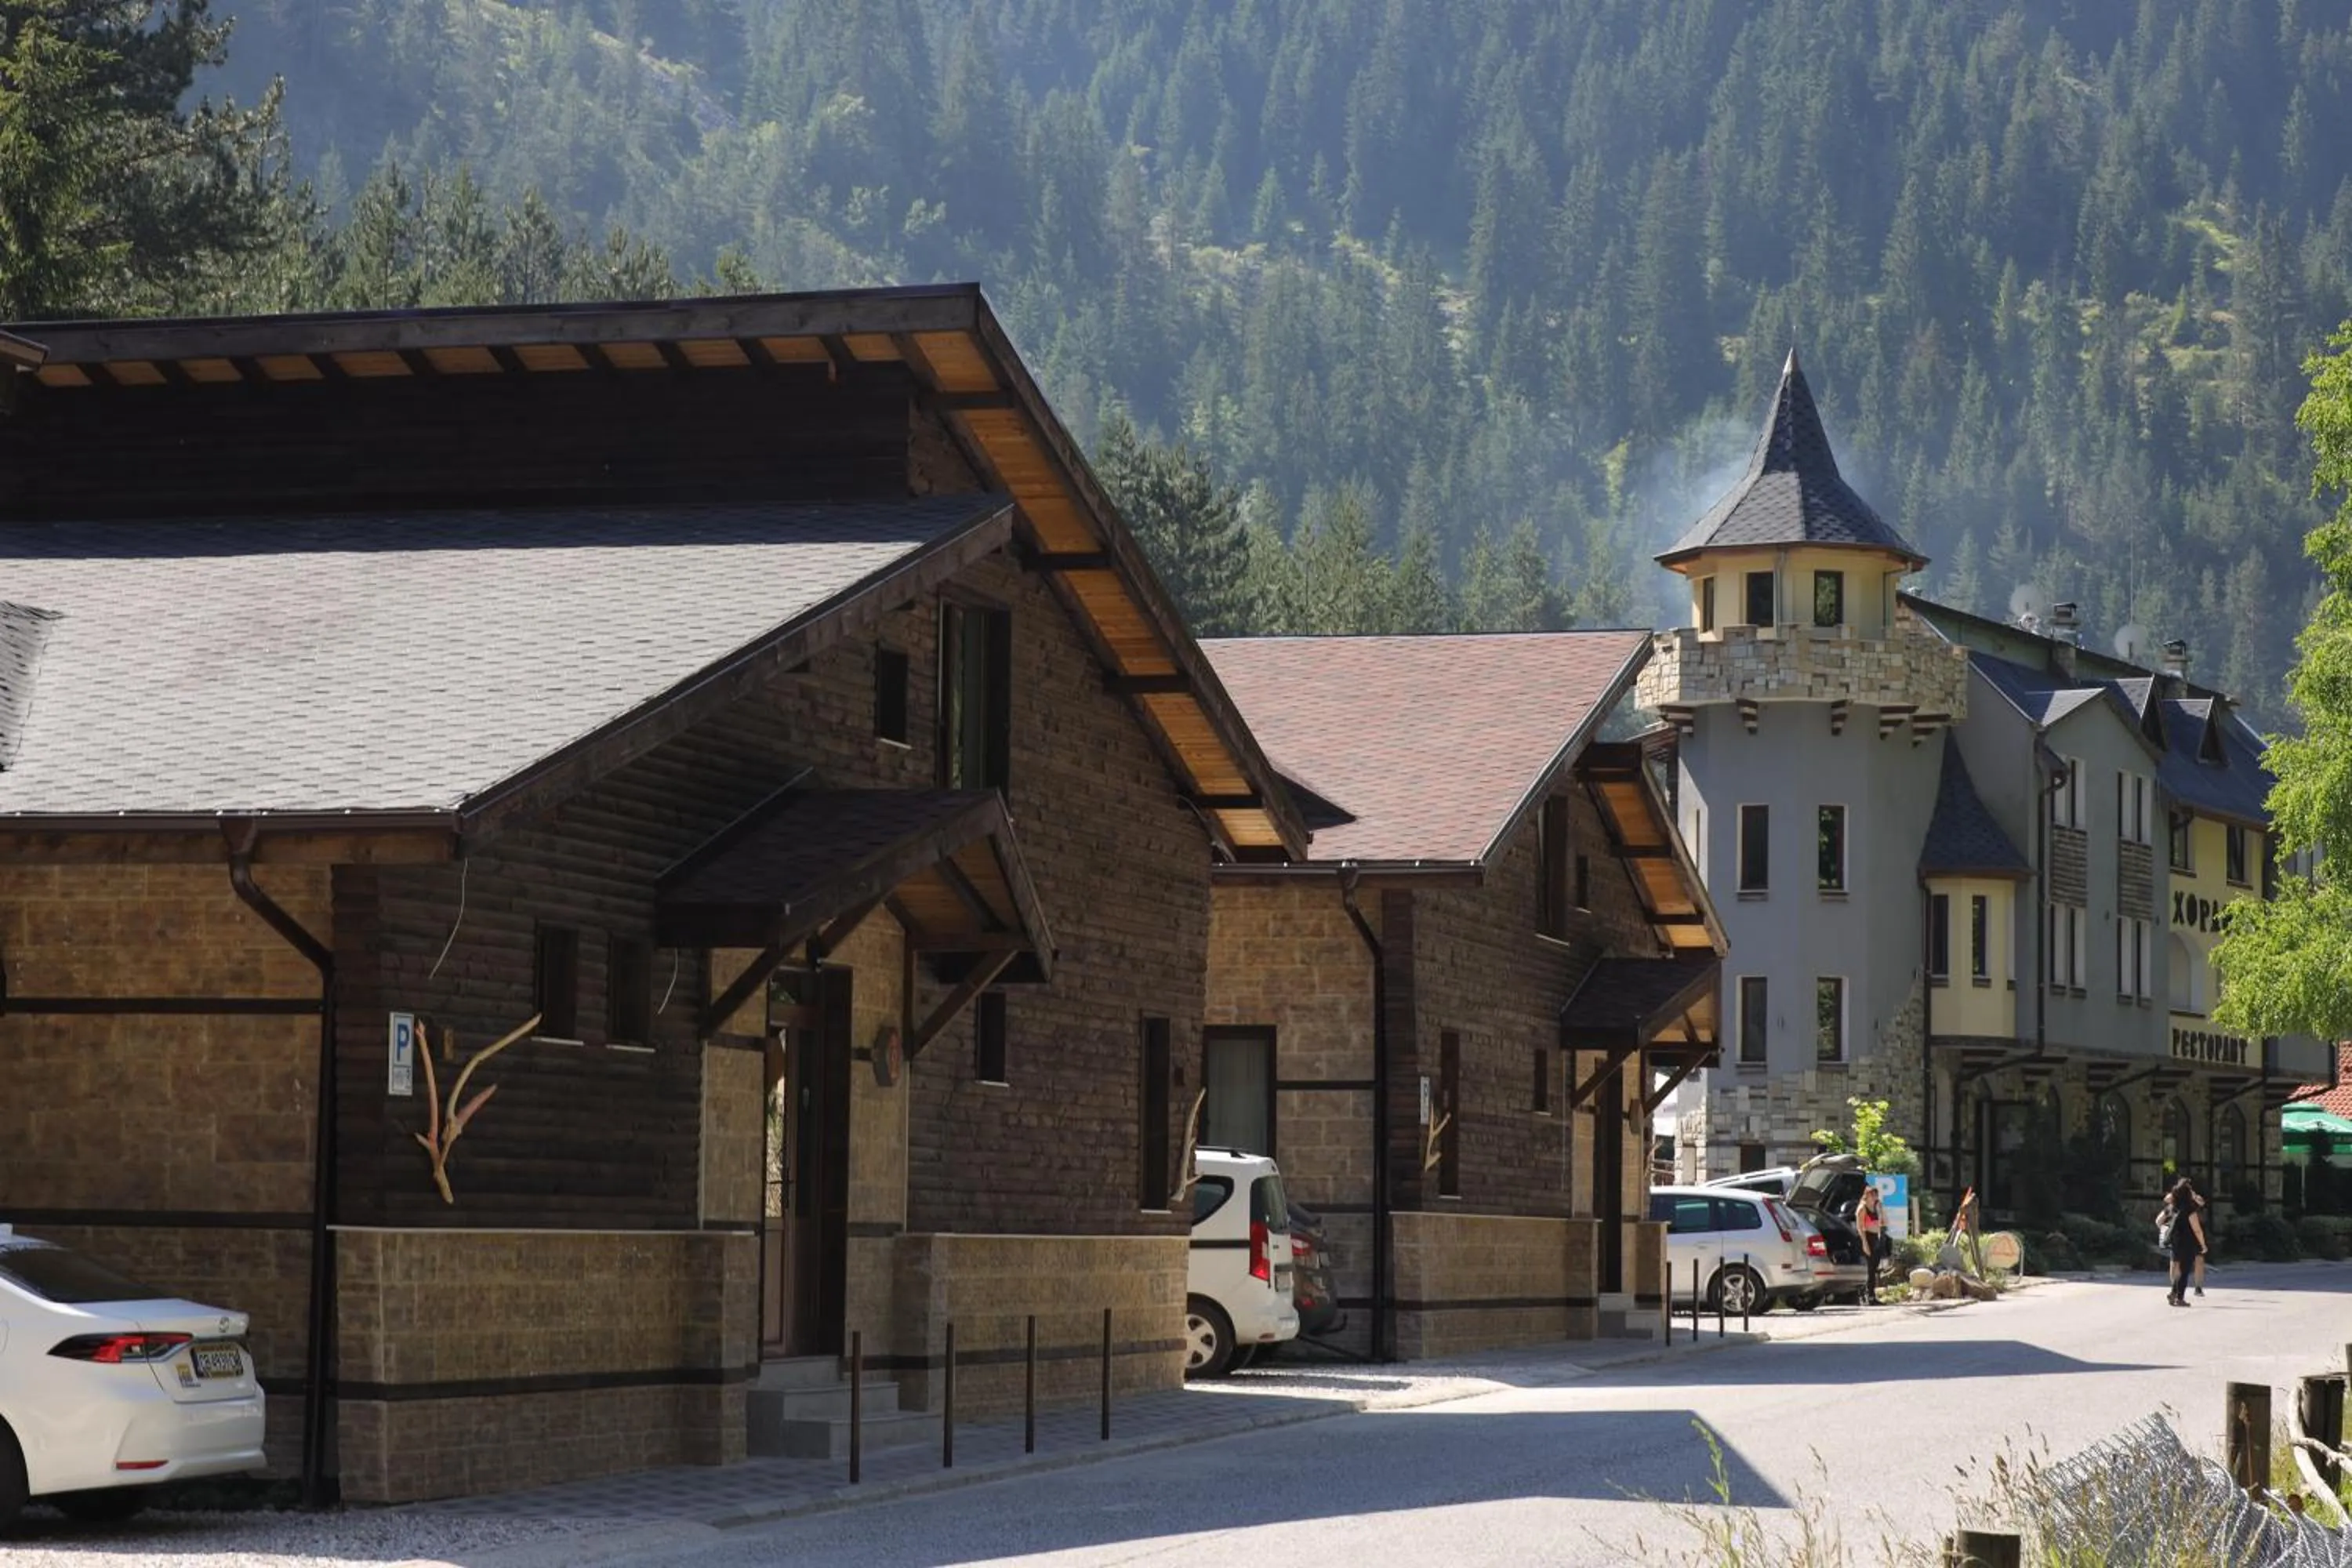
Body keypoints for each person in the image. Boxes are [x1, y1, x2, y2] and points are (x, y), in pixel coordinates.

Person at [2154, 1180, 2211, 1297]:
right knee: (2180, 1265)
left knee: (2191, 1261)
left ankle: (2193, 1288)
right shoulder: (2175, 1206)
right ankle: (2177, 1291)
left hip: (2182, 1237)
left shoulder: (2191, 1203)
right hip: (2188, 1236)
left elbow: (2202, 1202)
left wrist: (2165, 1230)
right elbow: (2167, 1199)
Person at [1855, 1181, 1887, 1305]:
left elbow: (1883, 1222)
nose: (1875, 1197)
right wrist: (1864, 1243)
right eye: (1872, 1195)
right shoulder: (1862, 1208)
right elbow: (1859, 1227)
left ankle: (1869, 1294)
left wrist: (1881, 1209)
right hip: (1866, 1237)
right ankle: (1869, 1296)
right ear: (1866, 1196)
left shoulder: (1876, 1207)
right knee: (1870, 1269)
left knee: (1874, 1268)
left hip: (1875, 1237)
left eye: (1876, 1195)